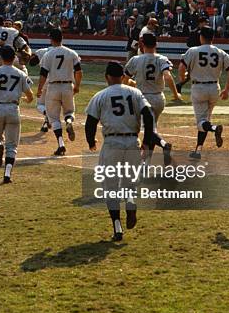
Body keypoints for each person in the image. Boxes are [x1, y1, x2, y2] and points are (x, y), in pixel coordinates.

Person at [85, 61, 155, 241]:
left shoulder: (100, 95)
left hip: (112, 143)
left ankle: (117, 226)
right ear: (123, 76)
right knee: (130, 181)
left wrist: (90, 140)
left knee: (110, 187)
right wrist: (147, 141)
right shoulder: (135, 92)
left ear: (107, 76)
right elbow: (148, 115)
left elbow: (90, 122)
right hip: (132, 140)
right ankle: (130, 201)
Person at [178, 27, 229, 159]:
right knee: (206, 120)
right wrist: (227, 89)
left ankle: (215, 128)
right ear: (213, 38)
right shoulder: (220, 52)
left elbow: (181, 67)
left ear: (201, 37)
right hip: (214, 87)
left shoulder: (193, 51)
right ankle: (198, 151)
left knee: (201, 123)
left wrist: (182, 79)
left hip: (198, 88)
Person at [124, 33, 181, 165]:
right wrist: (175, 93)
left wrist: (130, 86)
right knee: (152, 129)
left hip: (143, 98)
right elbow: (167, 76)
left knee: (149, 130)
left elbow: (125, 79)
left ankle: (164, 144)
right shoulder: (161, 58)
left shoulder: (135, 60)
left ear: (142, 44)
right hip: (159, 98)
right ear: (156, 44)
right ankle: (147, 161)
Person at [0, 46, 34, 184]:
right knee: (12, 146)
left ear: (1, 57)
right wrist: (26, 100)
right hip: (13, 109)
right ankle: (7, 175)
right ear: (14, 57)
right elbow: (30, 95)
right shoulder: (20, 73)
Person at [37, 29, 82, 156]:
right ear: (62, 38)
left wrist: (40, 89)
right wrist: (77, 86)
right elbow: (78, 71)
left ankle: (61, 144)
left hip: (53, 87)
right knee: (69, 112)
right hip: (68, 86)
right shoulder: (72, 53)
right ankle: (68, 121)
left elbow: (43, 74)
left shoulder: (48, 54)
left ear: (51, 39)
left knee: (54, 118)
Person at [177, 16, 208, 93]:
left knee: (193, 73)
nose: (206, 24)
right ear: (201, 23)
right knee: (197, 72)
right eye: (205, 22)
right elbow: (189, 43)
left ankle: (180, 84)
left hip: (198, 54)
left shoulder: (199, 31)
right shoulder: (196, 32)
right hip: (197, 55)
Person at [29, 47, 51, 132]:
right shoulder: (61, 51)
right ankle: (46, 123)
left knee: (40, 105)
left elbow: (32, 63)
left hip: (46, 80)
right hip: (58, 82)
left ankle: (47, 116)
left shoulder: (40, 52)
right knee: (51, 105)